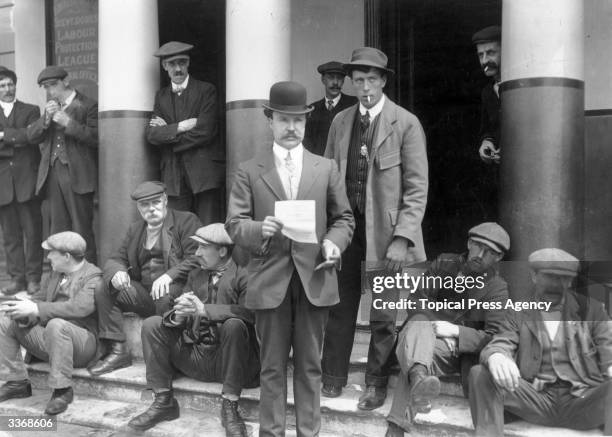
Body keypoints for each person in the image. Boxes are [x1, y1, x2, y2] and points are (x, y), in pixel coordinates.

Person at [226, 81, 354, 437]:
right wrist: (259, 229)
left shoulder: (325, 168)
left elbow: (344, 218)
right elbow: (234, 224)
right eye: (283, 120)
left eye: (298, 121)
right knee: (271, 368)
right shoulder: (250, 170)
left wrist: (333, 244)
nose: (291, 128)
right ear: (270, 121)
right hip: (269, 280)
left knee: (311, 367)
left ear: (307, 123)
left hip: (314, 277)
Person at [323, 47, 428, 407]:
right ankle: (333, 375)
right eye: (358, 80)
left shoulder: (406, 123)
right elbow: (326, 176)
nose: (364, 87)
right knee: (340, 303)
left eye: (371, 79)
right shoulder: (340, 123)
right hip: (346, 227)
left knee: (383, 311)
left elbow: (417, 188)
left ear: (383, 81)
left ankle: (375, 383)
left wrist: (403, 238)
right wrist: (328, 230)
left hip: (387, 233)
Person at [127, 224, 259, 436]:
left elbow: (249, 314)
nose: (196, 253)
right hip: (197, 358)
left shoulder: (244, 275)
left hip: (231, 364)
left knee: (235, 325)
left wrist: (204, 310)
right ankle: (163, 401)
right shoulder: (196, 275)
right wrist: (178, 315)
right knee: (152, 324)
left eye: (203, 247)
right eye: (196, 247)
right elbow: (181, 314)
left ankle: (230, 407)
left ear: (222, 251)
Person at [469, 248, 612, 436]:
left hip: (582, 401)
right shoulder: (518, 311)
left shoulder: (592, 309)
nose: (555, 284)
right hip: (536, 400)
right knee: (480, 374)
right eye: (549, 276)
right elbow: (502, 340)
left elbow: (607, 346)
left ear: (570, 281)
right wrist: (497, 356)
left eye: (563, 278)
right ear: (534, 276)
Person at [385, 222, 510, 436]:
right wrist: (435, 328)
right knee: (419, 324)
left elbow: (495, 337)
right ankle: (418, 380)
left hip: (454, 352)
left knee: (416, 356)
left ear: (498, 258)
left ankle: (400, 418)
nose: (480, 255)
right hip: (422, 337)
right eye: (477, 246)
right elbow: (416, 301)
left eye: (489, 252)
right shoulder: (444, 263)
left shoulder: (497, 288)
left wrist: (454, 332)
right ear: (469, 243)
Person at [88, 181, 200, 376]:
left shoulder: (186, 221)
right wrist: (118, 273)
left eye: (155, 202)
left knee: (165, 295)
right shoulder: (136, 230)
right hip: (145, 294)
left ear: (165, 200)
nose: (151, 209)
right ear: (138, 208)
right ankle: (118, 350)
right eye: (144, 205)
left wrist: (169, 275)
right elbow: (116, 258)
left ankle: (167, 360)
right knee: (104, 287)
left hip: (176, 292)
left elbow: (197, 257)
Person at [0, 231, 102, 415]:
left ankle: (62, 390)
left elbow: (79, 308)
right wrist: (19, 308)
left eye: (51, 252)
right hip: (51, 340)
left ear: (67, 256)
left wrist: (37, 309)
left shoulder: (93, 276)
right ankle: (16, 382)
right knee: (7, 318)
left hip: (82, 345)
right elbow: (37, 300)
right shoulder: (55, 275)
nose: (48, 257)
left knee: (56, 324)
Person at [146, 41, 225, 224]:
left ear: (188, 63)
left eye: (182, 62)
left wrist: (168, 133)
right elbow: (151, 135)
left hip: (204, 174)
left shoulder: (206, 90)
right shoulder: (161, 96)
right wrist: (182, 126)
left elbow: (205, 131)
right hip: (173, 176)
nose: (178, 68)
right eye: (172, 64)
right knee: (178, 229)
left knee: (208, 228)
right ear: (164, 66)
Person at [27, 66, 98, 263]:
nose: (51, 91)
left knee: (81, 229)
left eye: (53, 85)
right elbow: (31, 137)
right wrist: (46, 119)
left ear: (65, 81)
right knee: (57, 230)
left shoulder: (88, 104)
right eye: (46, 87)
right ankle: (59, 281)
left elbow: (96, 138)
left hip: (78, 175)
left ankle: (88, 279)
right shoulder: (50, 106)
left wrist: (69, 123)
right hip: (53, 175)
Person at [0, 67, 43, 296]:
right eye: (2, 85)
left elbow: (31, 136)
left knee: (33, 233)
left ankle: (34, 279)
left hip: (27, 183)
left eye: (10, 84)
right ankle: (17, 279)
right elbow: (23, 137)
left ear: (16, 85)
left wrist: (3, 136)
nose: (7, 89)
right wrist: (17, 138)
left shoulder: (30, 110)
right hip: (3, 186)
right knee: (10, 236)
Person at [303, 61, 357, 156]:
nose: (335, 82)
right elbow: (308, 144)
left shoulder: (354, 104)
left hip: (345, 165)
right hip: (320, 166)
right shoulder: (312, 109)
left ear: (343, 81)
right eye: (331, 77)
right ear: (323, 80)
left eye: (339, 78)